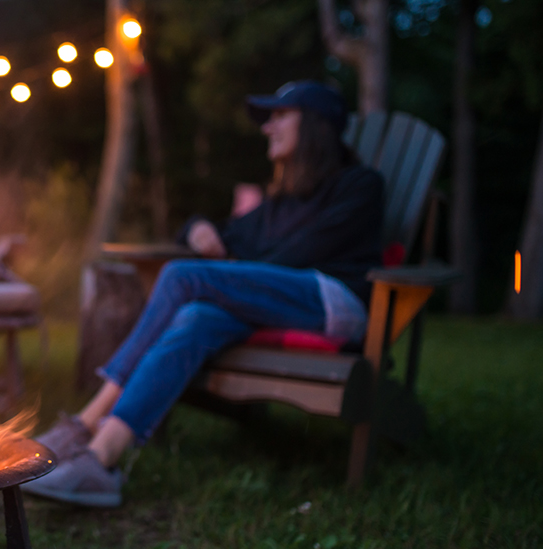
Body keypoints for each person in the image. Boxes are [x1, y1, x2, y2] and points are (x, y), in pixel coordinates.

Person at [24, 81, 383, 507]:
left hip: (332, 303)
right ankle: (102, 461)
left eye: (280, 116)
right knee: (196, 317)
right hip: (273, 303)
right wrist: (198, 228)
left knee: (182, 276)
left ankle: (85, 422)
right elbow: (224, 237)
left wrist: (226, 275)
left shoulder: (360, 185)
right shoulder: (278, 204)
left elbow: (299, 257)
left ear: (316, 125)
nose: (268, 128)